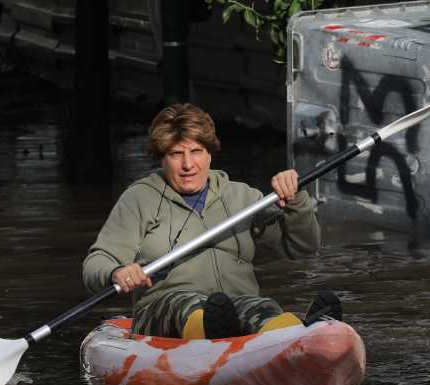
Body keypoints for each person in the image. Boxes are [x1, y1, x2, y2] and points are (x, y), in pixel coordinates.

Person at [83, 103, 341, 340]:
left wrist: (296, 201)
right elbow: (96, 262)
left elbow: (303, 246)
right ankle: (215, 330)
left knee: (261, 307)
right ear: (162, 158)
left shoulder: (242, 196)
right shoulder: (139, 198)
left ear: (209, 154)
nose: (187, 164)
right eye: (176, 153)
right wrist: (116, 272)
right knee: (186, 305)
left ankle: (303, 336)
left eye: (196, 151)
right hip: (163, 312)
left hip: (236, 304)